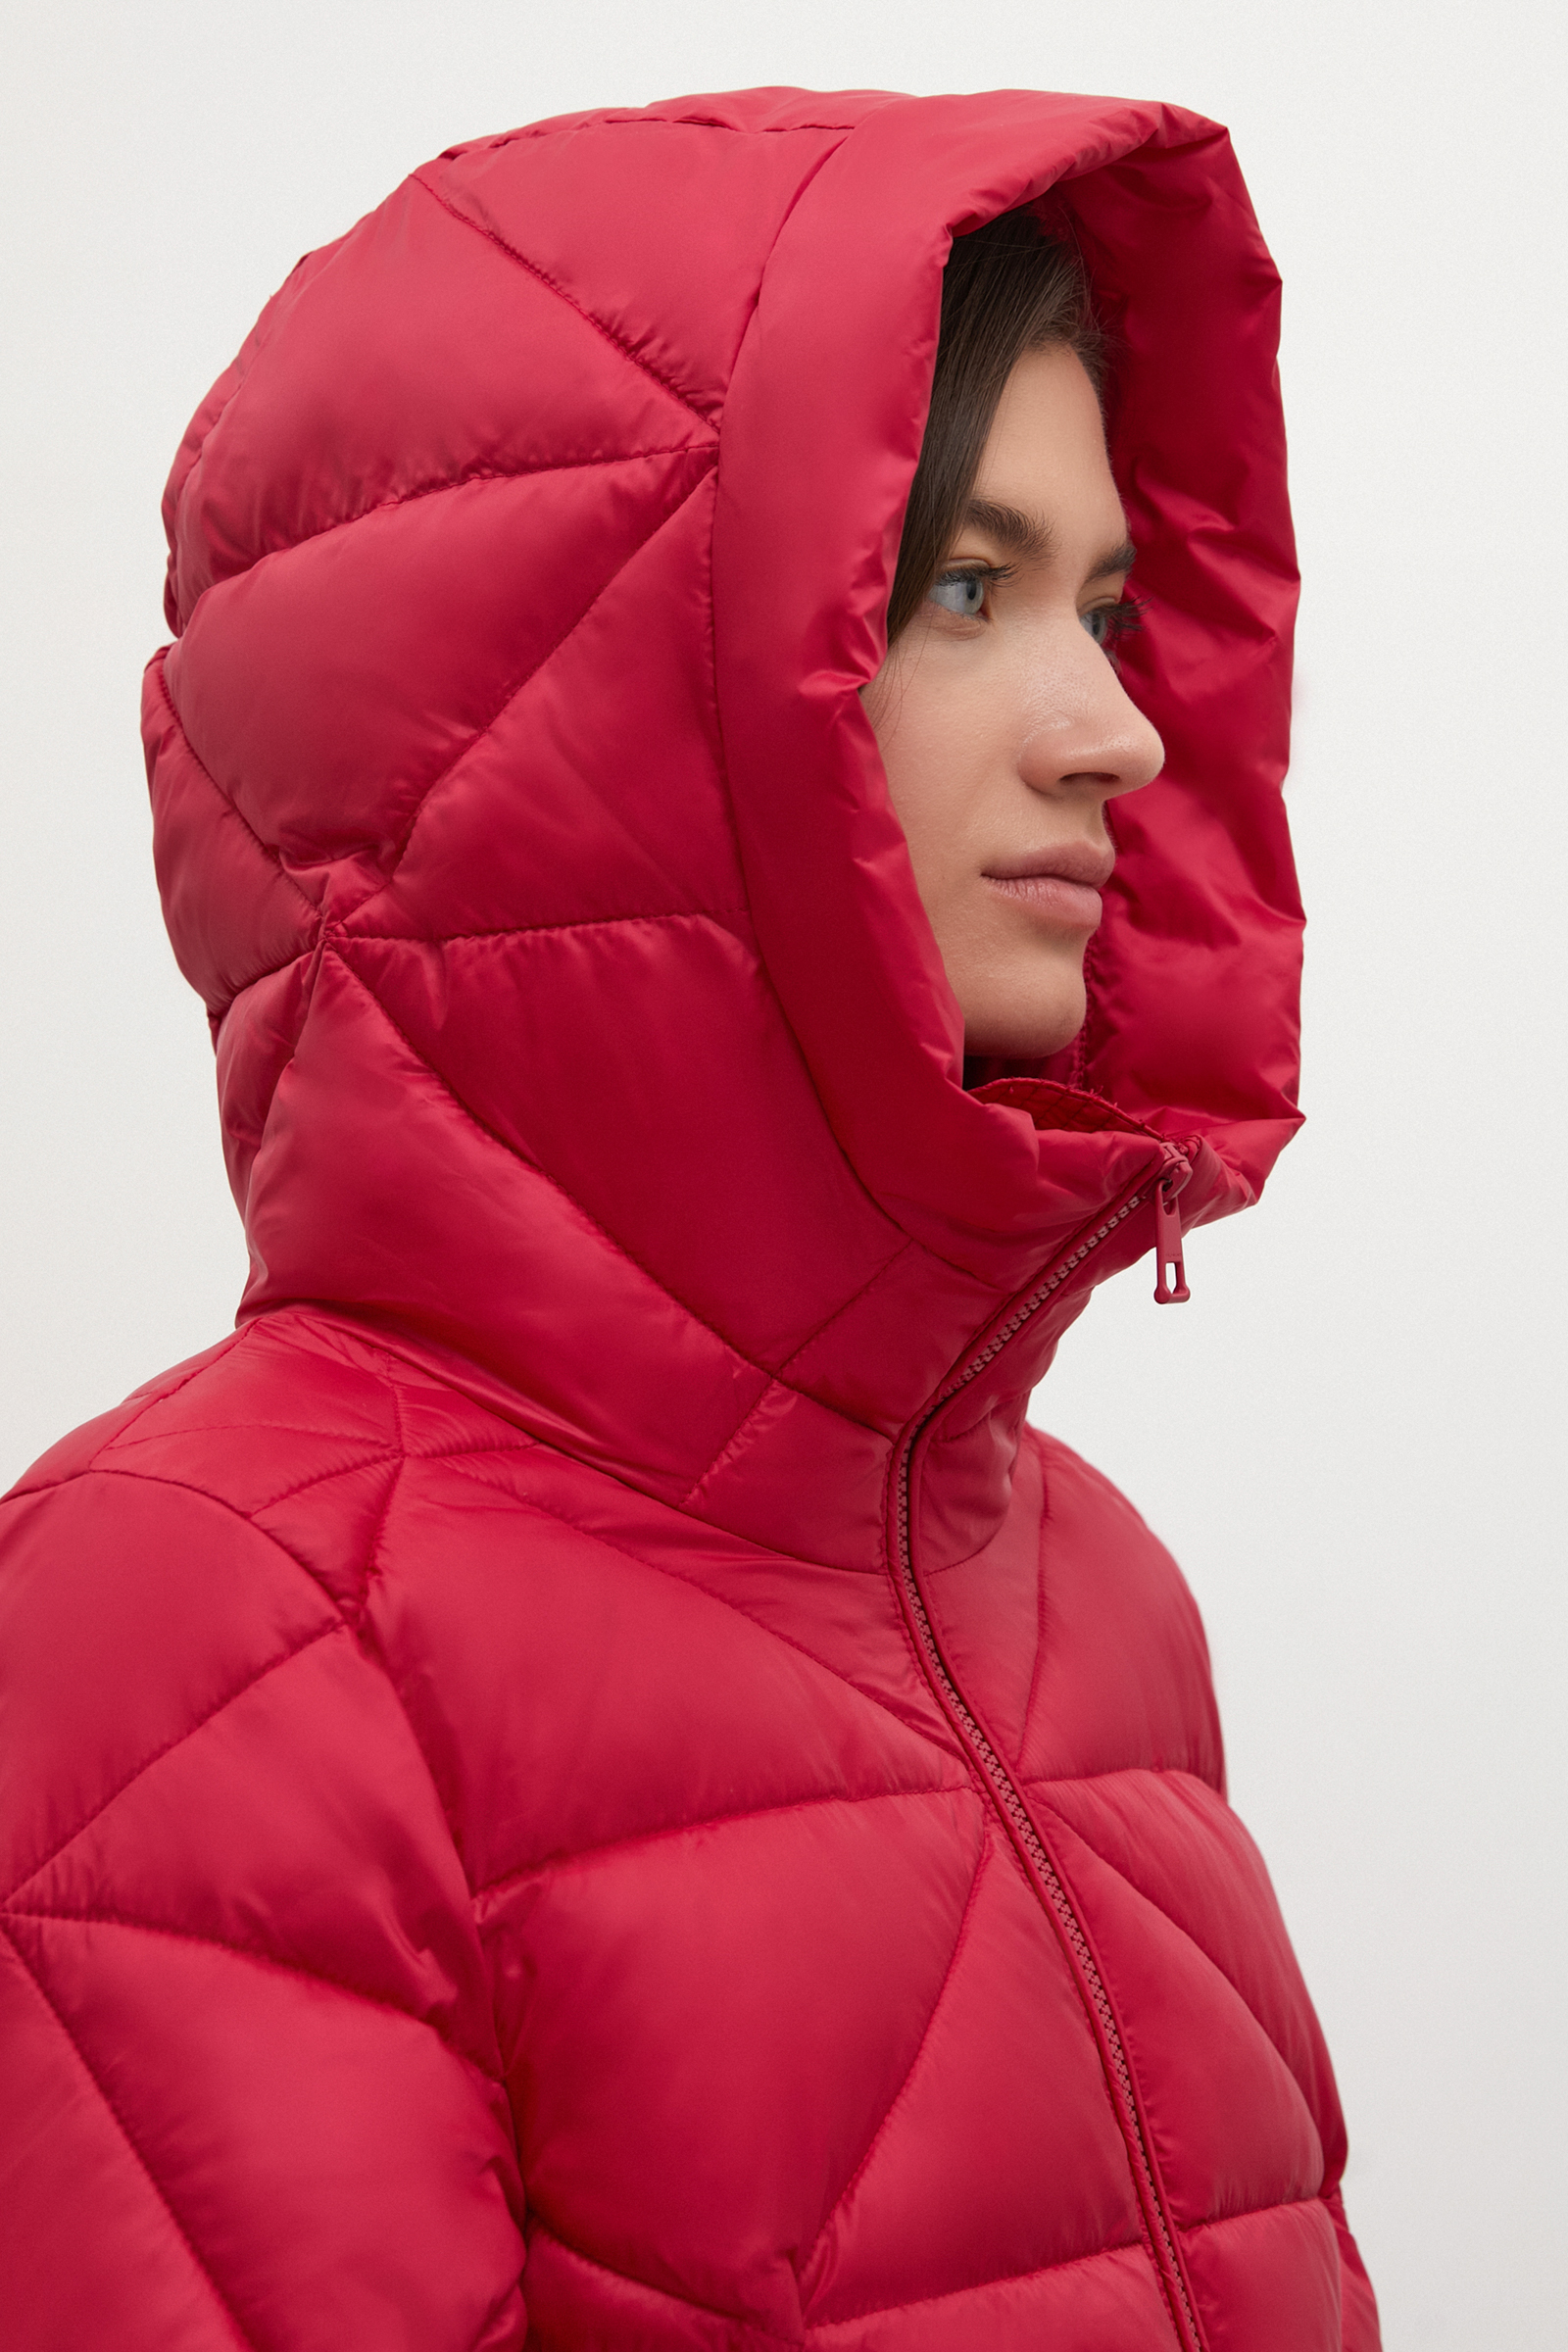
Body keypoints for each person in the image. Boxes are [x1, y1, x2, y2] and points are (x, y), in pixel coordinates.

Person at [0, 85, 1380, 2351]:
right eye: (963, 590)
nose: (1113, 730)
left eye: (1109, 606)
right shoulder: (203, 1628)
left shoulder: (1084, 1591)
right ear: (609, 689)